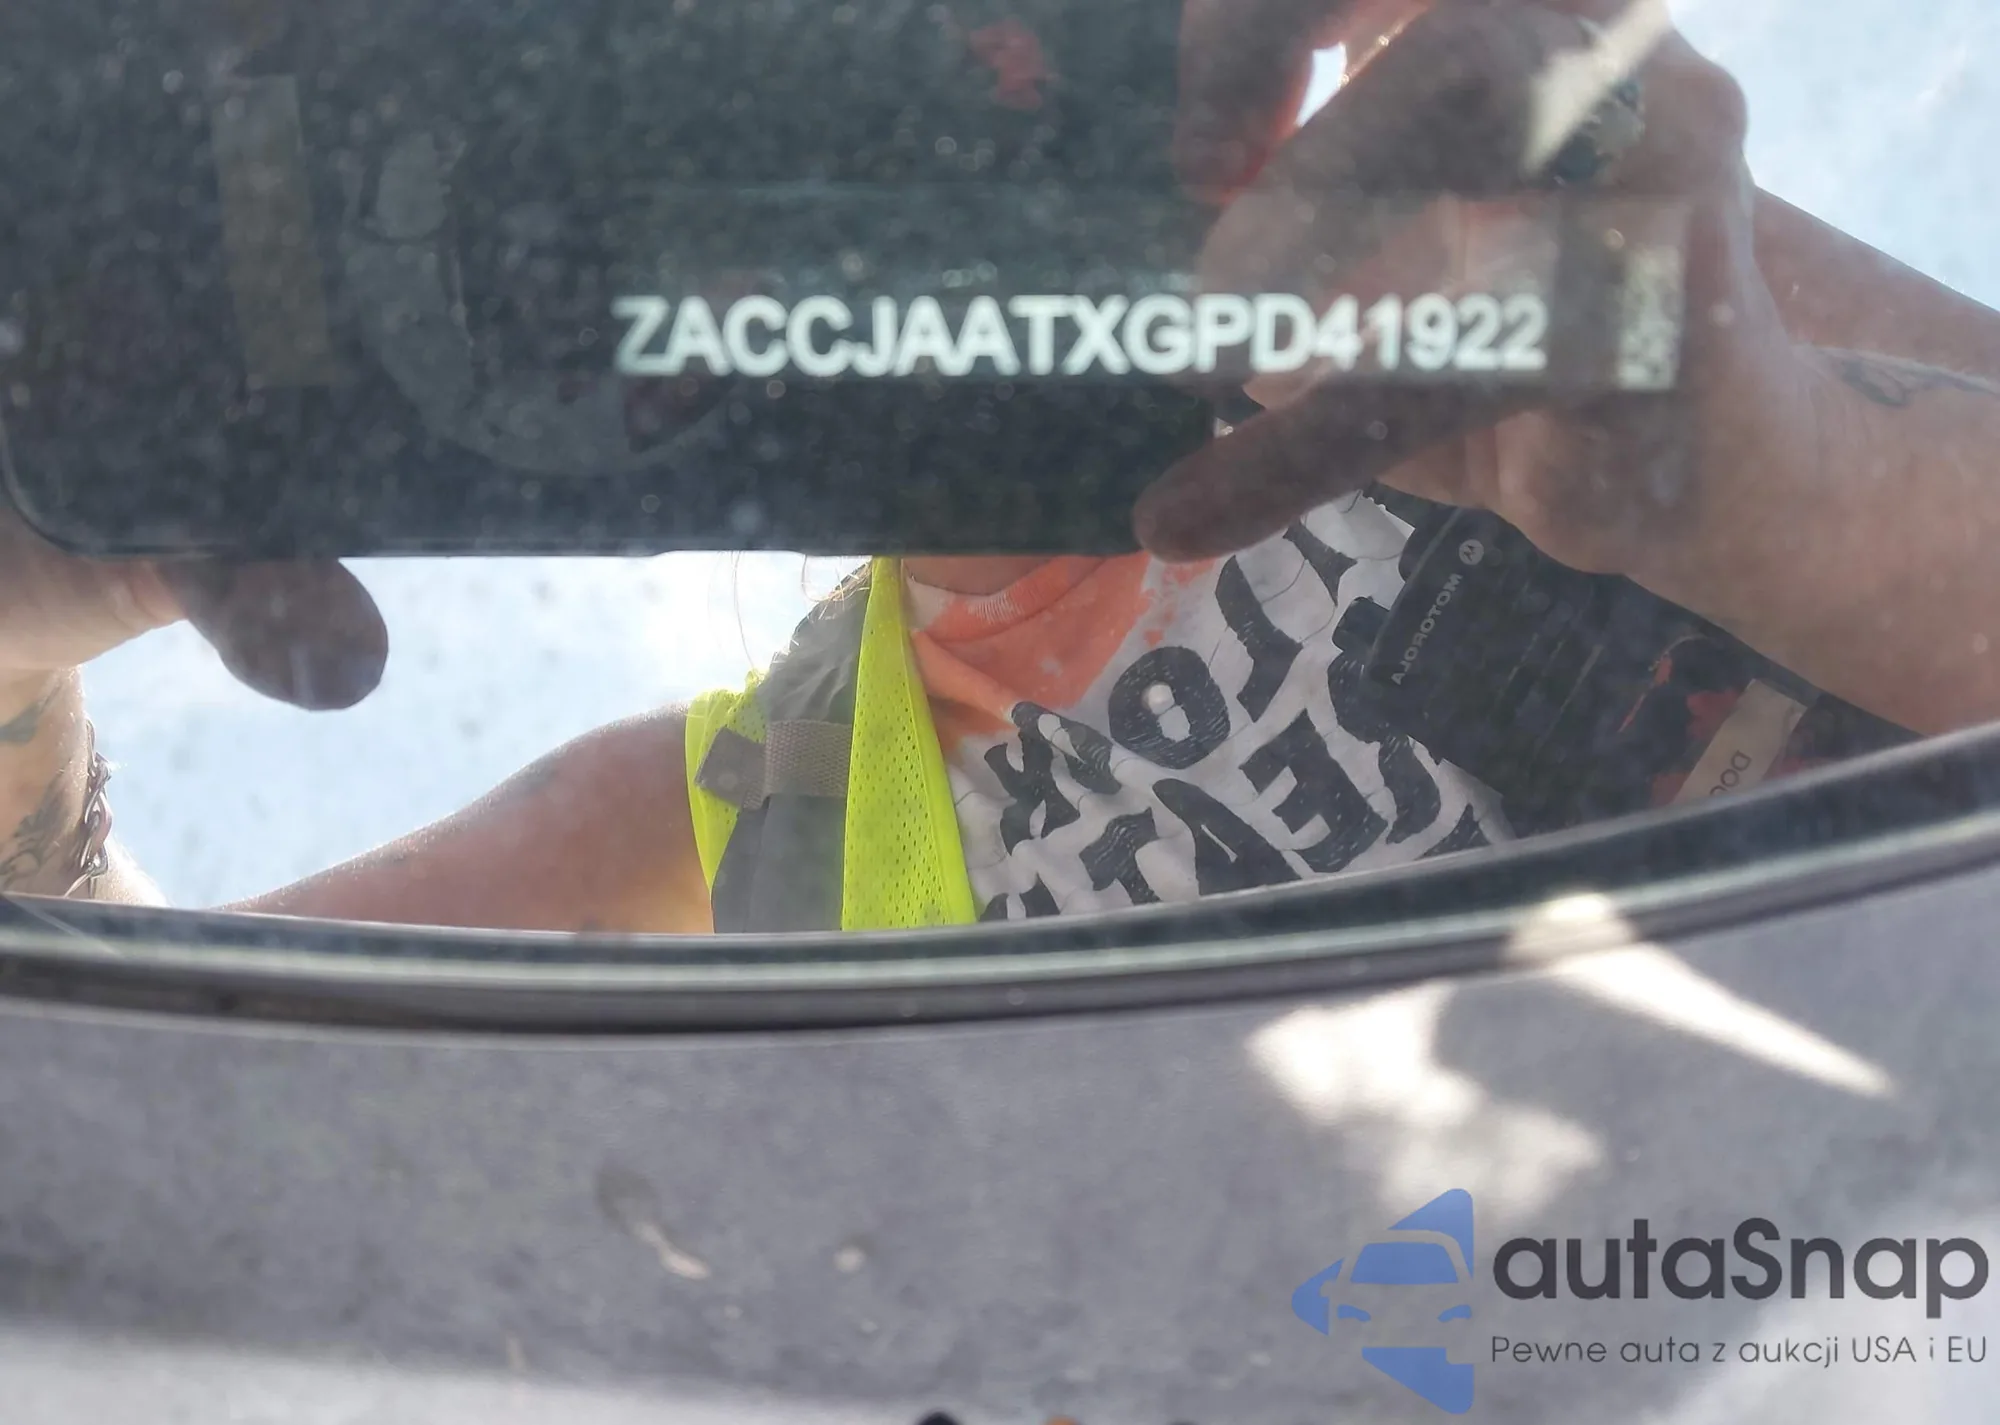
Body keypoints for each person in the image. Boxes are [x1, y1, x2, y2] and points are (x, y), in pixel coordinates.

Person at [6, 0, 2000, 933]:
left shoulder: (1491, 276)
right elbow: (128, 1119)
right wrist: (22, 638)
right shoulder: (725, 812)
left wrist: (1797, 480)